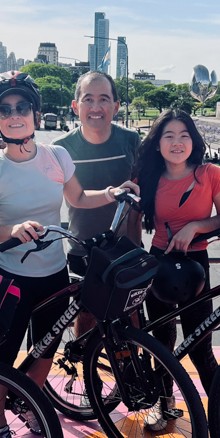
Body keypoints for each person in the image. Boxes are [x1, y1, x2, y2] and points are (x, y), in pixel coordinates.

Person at [0, 71, 137, 438]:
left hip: (53, 273)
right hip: (8, 275)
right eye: (6, 109)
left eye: (23, 107)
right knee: (0, 357)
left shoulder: (57, 156)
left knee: (45, 350)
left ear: (36, 112)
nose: (16, 115)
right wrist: (12, 229)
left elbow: (78, 197)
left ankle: (29, 403)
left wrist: (113, 192)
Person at [132, 109, 220, 438]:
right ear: (157, 144)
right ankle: (166, 406)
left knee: (200, 345)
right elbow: (133, 223)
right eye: (169, 135)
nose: (177, 142)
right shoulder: (147, 179)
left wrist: (196, 226)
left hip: (196, 263)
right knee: (162, 341)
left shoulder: (209, 174)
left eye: (184, 135)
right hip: (158, 265)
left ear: (193, 141)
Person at [53, 71, 141, 337]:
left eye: (104, 99)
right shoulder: (61, 148)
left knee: (131, 315)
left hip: (126, 248)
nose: (95, 107)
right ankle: (82, 372)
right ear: (75, 106)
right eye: (88, 99)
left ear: (115, 106)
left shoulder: (131, 140)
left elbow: (141, 193)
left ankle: (132, 374)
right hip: (84, 248)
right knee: (87, 314)